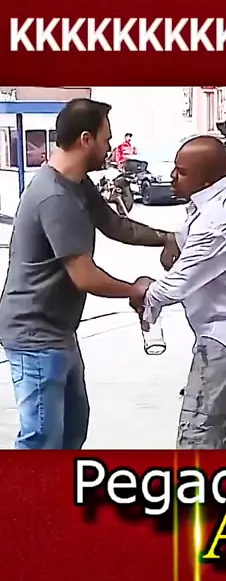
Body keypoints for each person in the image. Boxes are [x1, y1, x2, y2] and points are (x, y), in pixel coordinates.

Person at [0, 98, 171, 451]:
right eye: (106, 139)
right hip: (34, 333)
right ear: (85, 139)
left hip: (59, 330)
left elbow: (116, 225)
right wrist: (135, 290)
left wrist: (168, 238)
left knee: (73, 430)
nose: (110, 147)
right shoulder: (53, 196)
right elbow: (85, 276)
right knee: (42, 439)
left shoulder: (77, 184)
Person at [137, 135, 226, 450]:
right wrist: (172, 241)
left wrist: (145, 294)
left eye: (181, 172)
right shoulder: (223, 200)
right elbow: (185, 241)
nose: (172, 176)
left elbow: (179, 283)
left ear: (206, 177)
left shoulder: (220, 218)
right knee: (220, 426)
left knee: (197, 434)